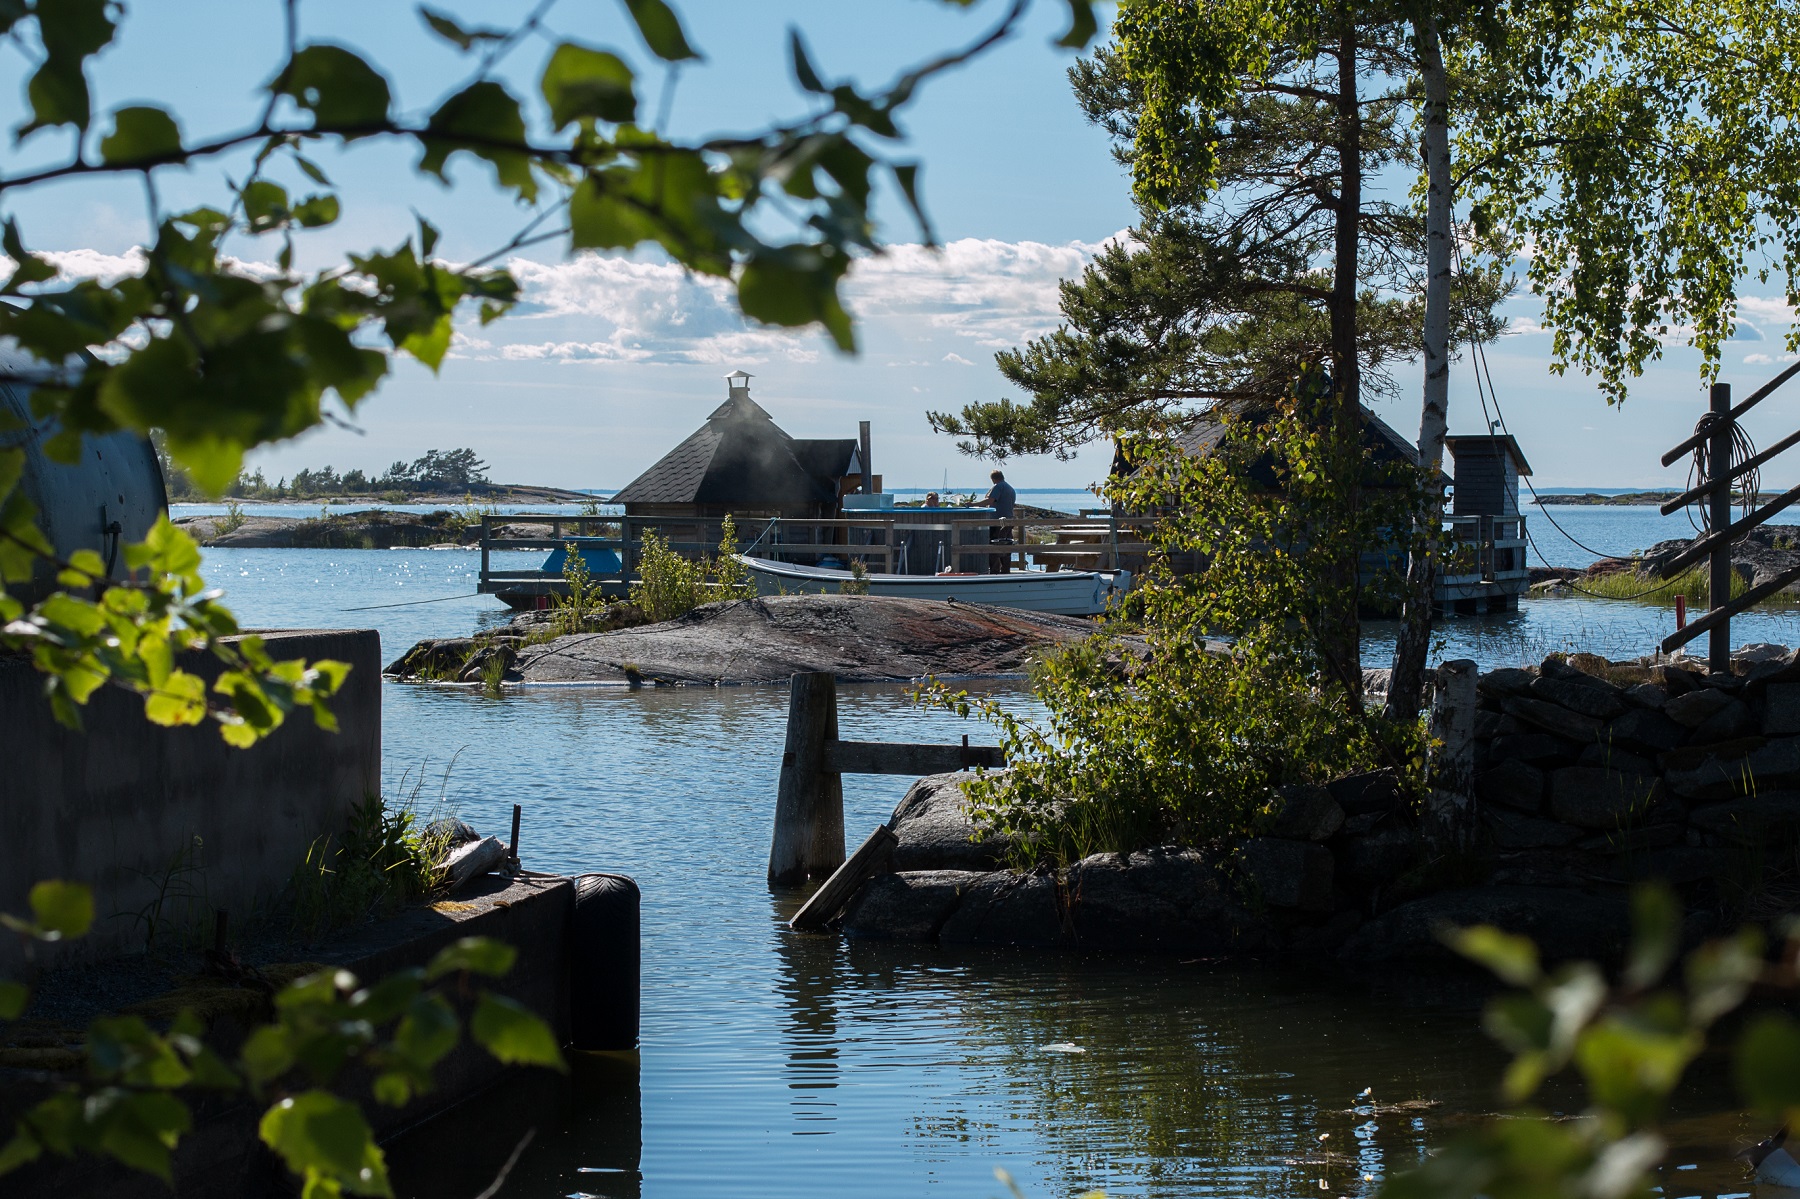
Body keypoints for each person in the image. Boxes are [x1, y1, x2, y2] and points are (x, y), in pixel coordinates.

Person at [982, 469, 1016, 573]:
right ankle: (1005, 569)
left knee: (994, 545)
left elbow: (990, 500)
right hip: (1009, 520)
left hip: (997, 522)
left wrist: (973, 505)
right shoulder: (1010, 488)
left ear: (993, 478)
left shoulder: (998, 487)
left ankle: (994, 570)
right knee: (1006, 545)